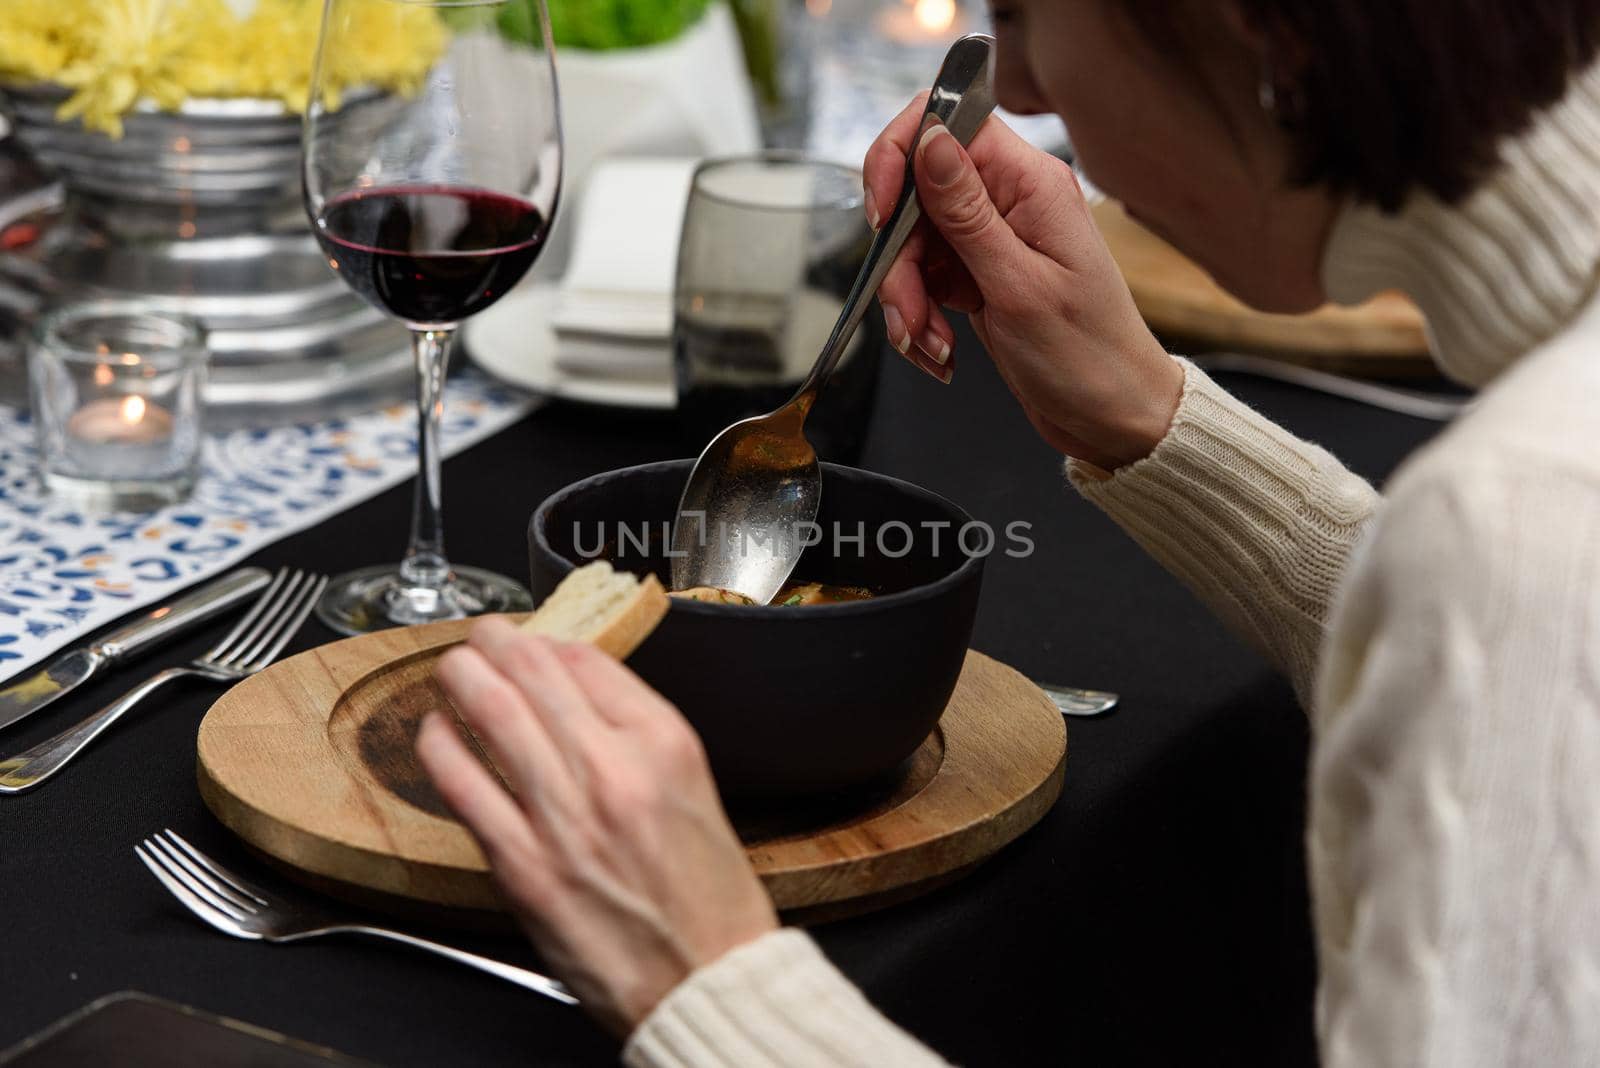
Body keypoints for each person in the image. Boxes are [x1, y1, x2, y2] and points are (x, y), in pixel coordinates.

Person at [415, 1, 1600, 1063]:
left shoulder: (1513, 530)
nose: (1021, 92)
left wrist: (703, 980)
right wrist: (1147, 416)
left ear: (1258, 32)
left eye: (1025, 14)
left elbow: (1519, 602)